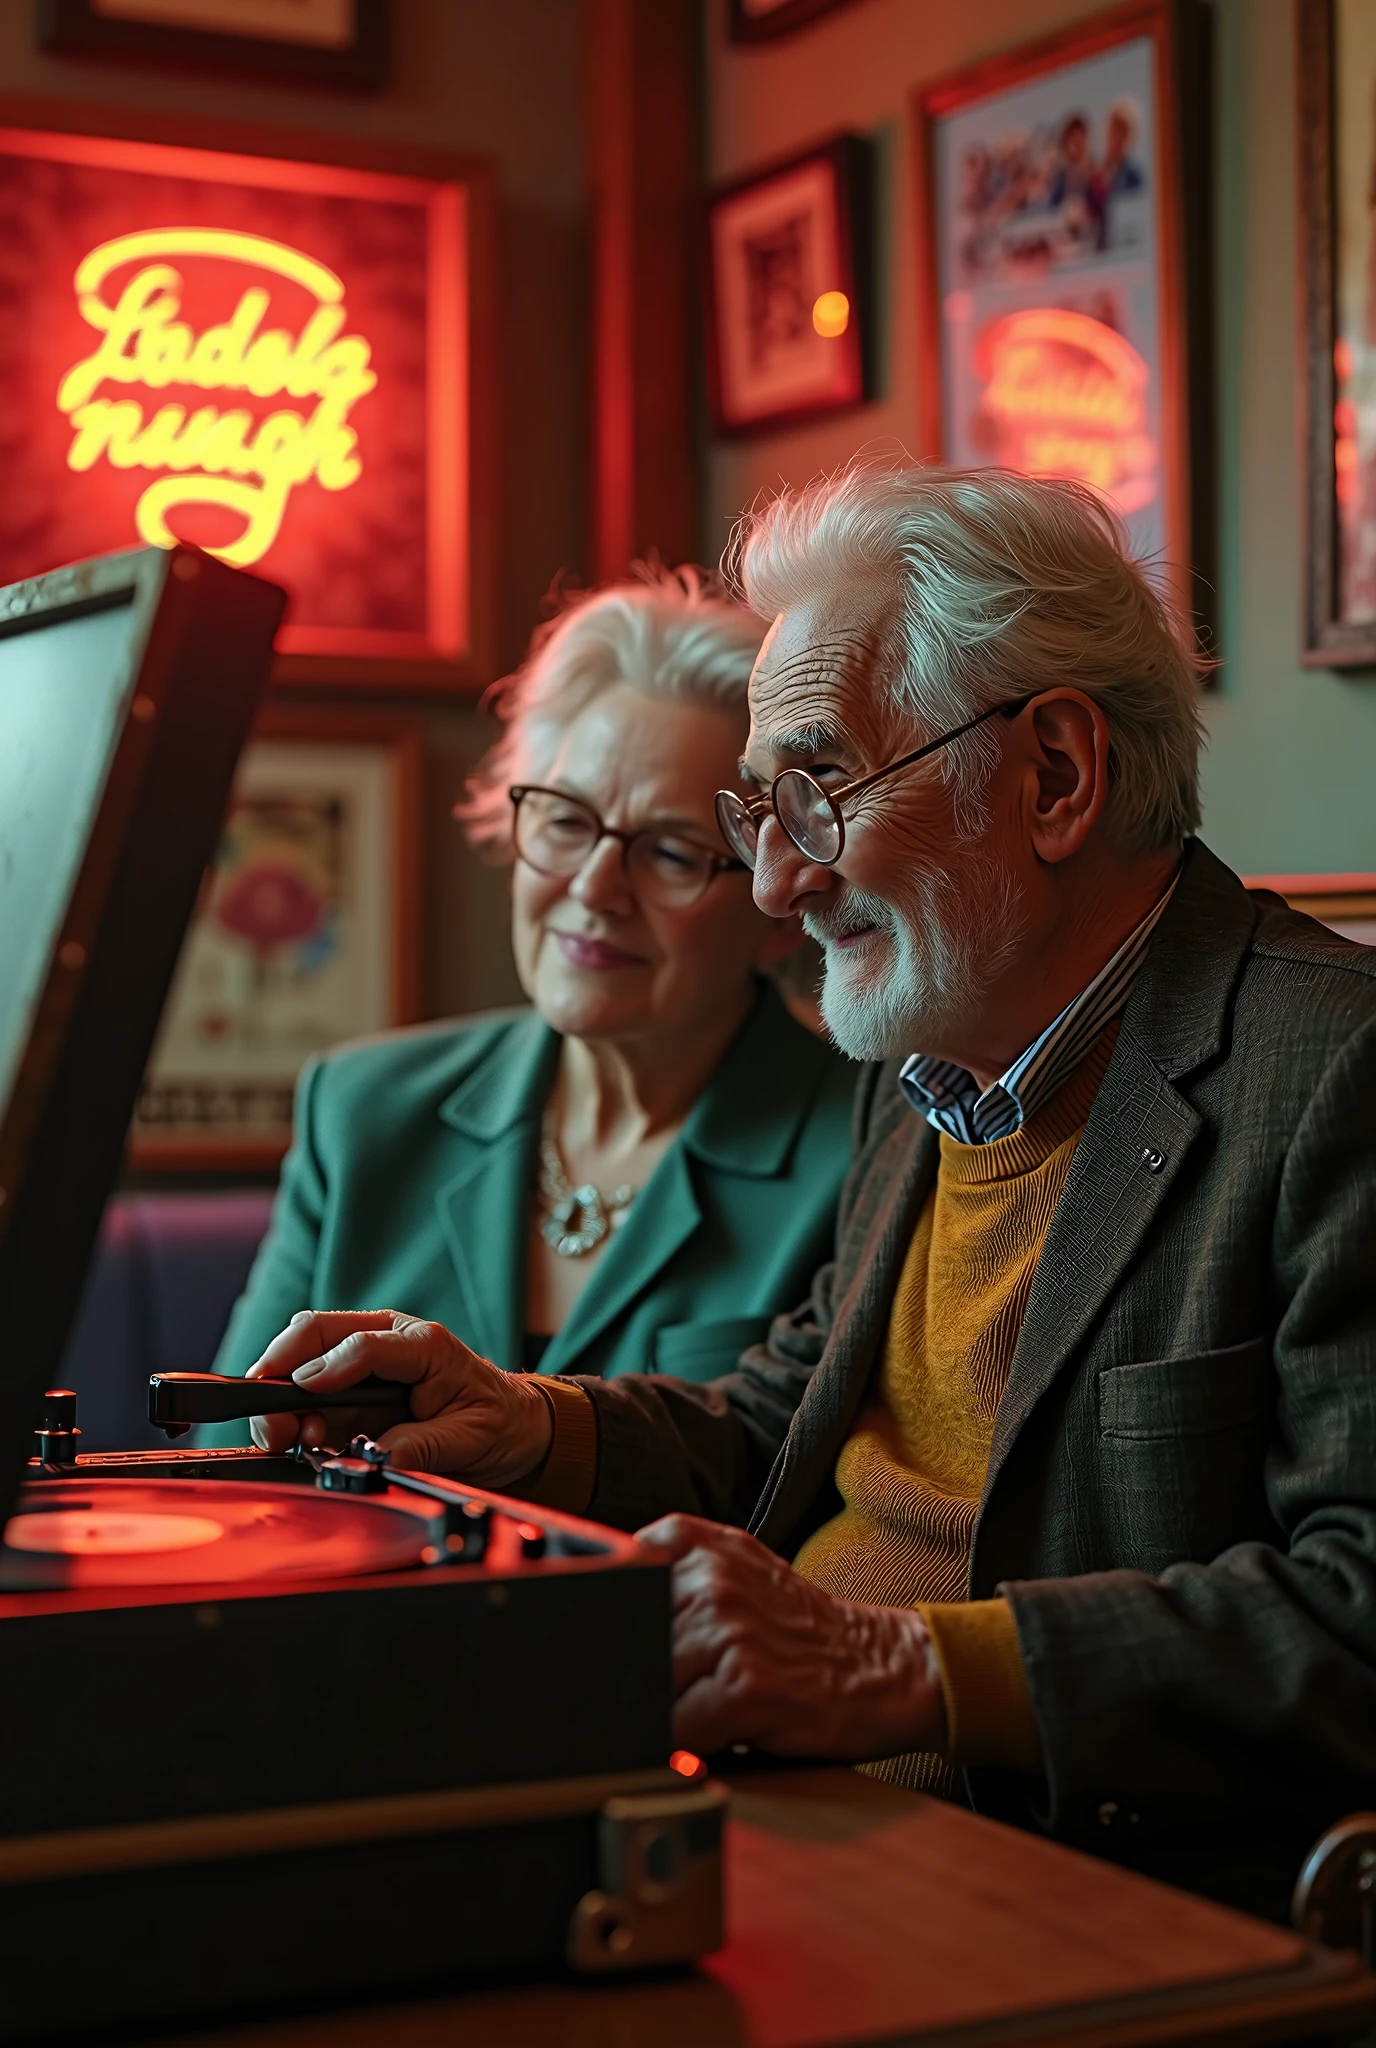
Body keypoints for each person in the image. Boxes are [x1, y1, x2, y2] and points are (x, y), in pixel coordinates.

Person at [244, 466, 1376, 1917]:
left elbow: (1361, 1615)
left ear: (1054, 778)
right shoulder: (932, 1064)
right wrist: (528, 1423)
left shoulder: (1334, 1068)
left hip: (1067, 1901)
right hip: (781, 1828)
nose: (773, 883)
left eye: (817, 791)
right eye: (757, 810)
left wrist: (893, 1667)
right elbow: (784, 1422)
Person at [210, 568, 856, 1456]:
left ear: (775, 906)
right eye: (564, 821)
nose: (594, 888)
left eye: (670, 852)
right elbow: (227, 1456)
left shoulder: (864, 1146)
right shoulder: (364, 1110)